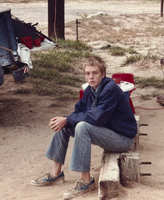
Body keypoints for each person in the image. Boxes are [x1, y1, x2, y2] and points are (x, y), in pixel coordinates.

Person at [31, 56, 137, 199]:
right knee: (64, 124)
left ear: (103, 74)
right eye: (87, 73)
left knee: (82, 126)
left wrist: (68, 119)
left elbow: (97, 117)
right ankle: (56, 174)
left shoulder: (111, 89)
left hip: (122, 139)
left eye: (95, 73)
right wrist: (65, 120)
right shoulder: (91, 89)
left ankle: (86, 181)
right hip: (107, 132)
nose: (91, 77)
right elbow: (79, 110)